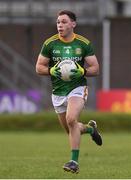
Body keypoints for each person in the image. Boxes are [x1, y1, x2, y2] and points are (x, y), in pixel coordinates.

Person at [36, 10, 102, 174]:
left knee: (71, 118)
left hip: (78, 88)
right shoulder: (50, 43)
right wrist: (52, 71)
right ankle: (90, 129)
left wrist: (82, 71)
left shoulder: (83, 43)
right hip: (58, 91)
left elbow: (95, 68)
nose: (60, 25)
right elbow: (39, 67)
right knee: (72, 129)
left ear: (73, 24)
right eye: (58, 22)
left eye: (64, 22)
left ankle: (74, 162)